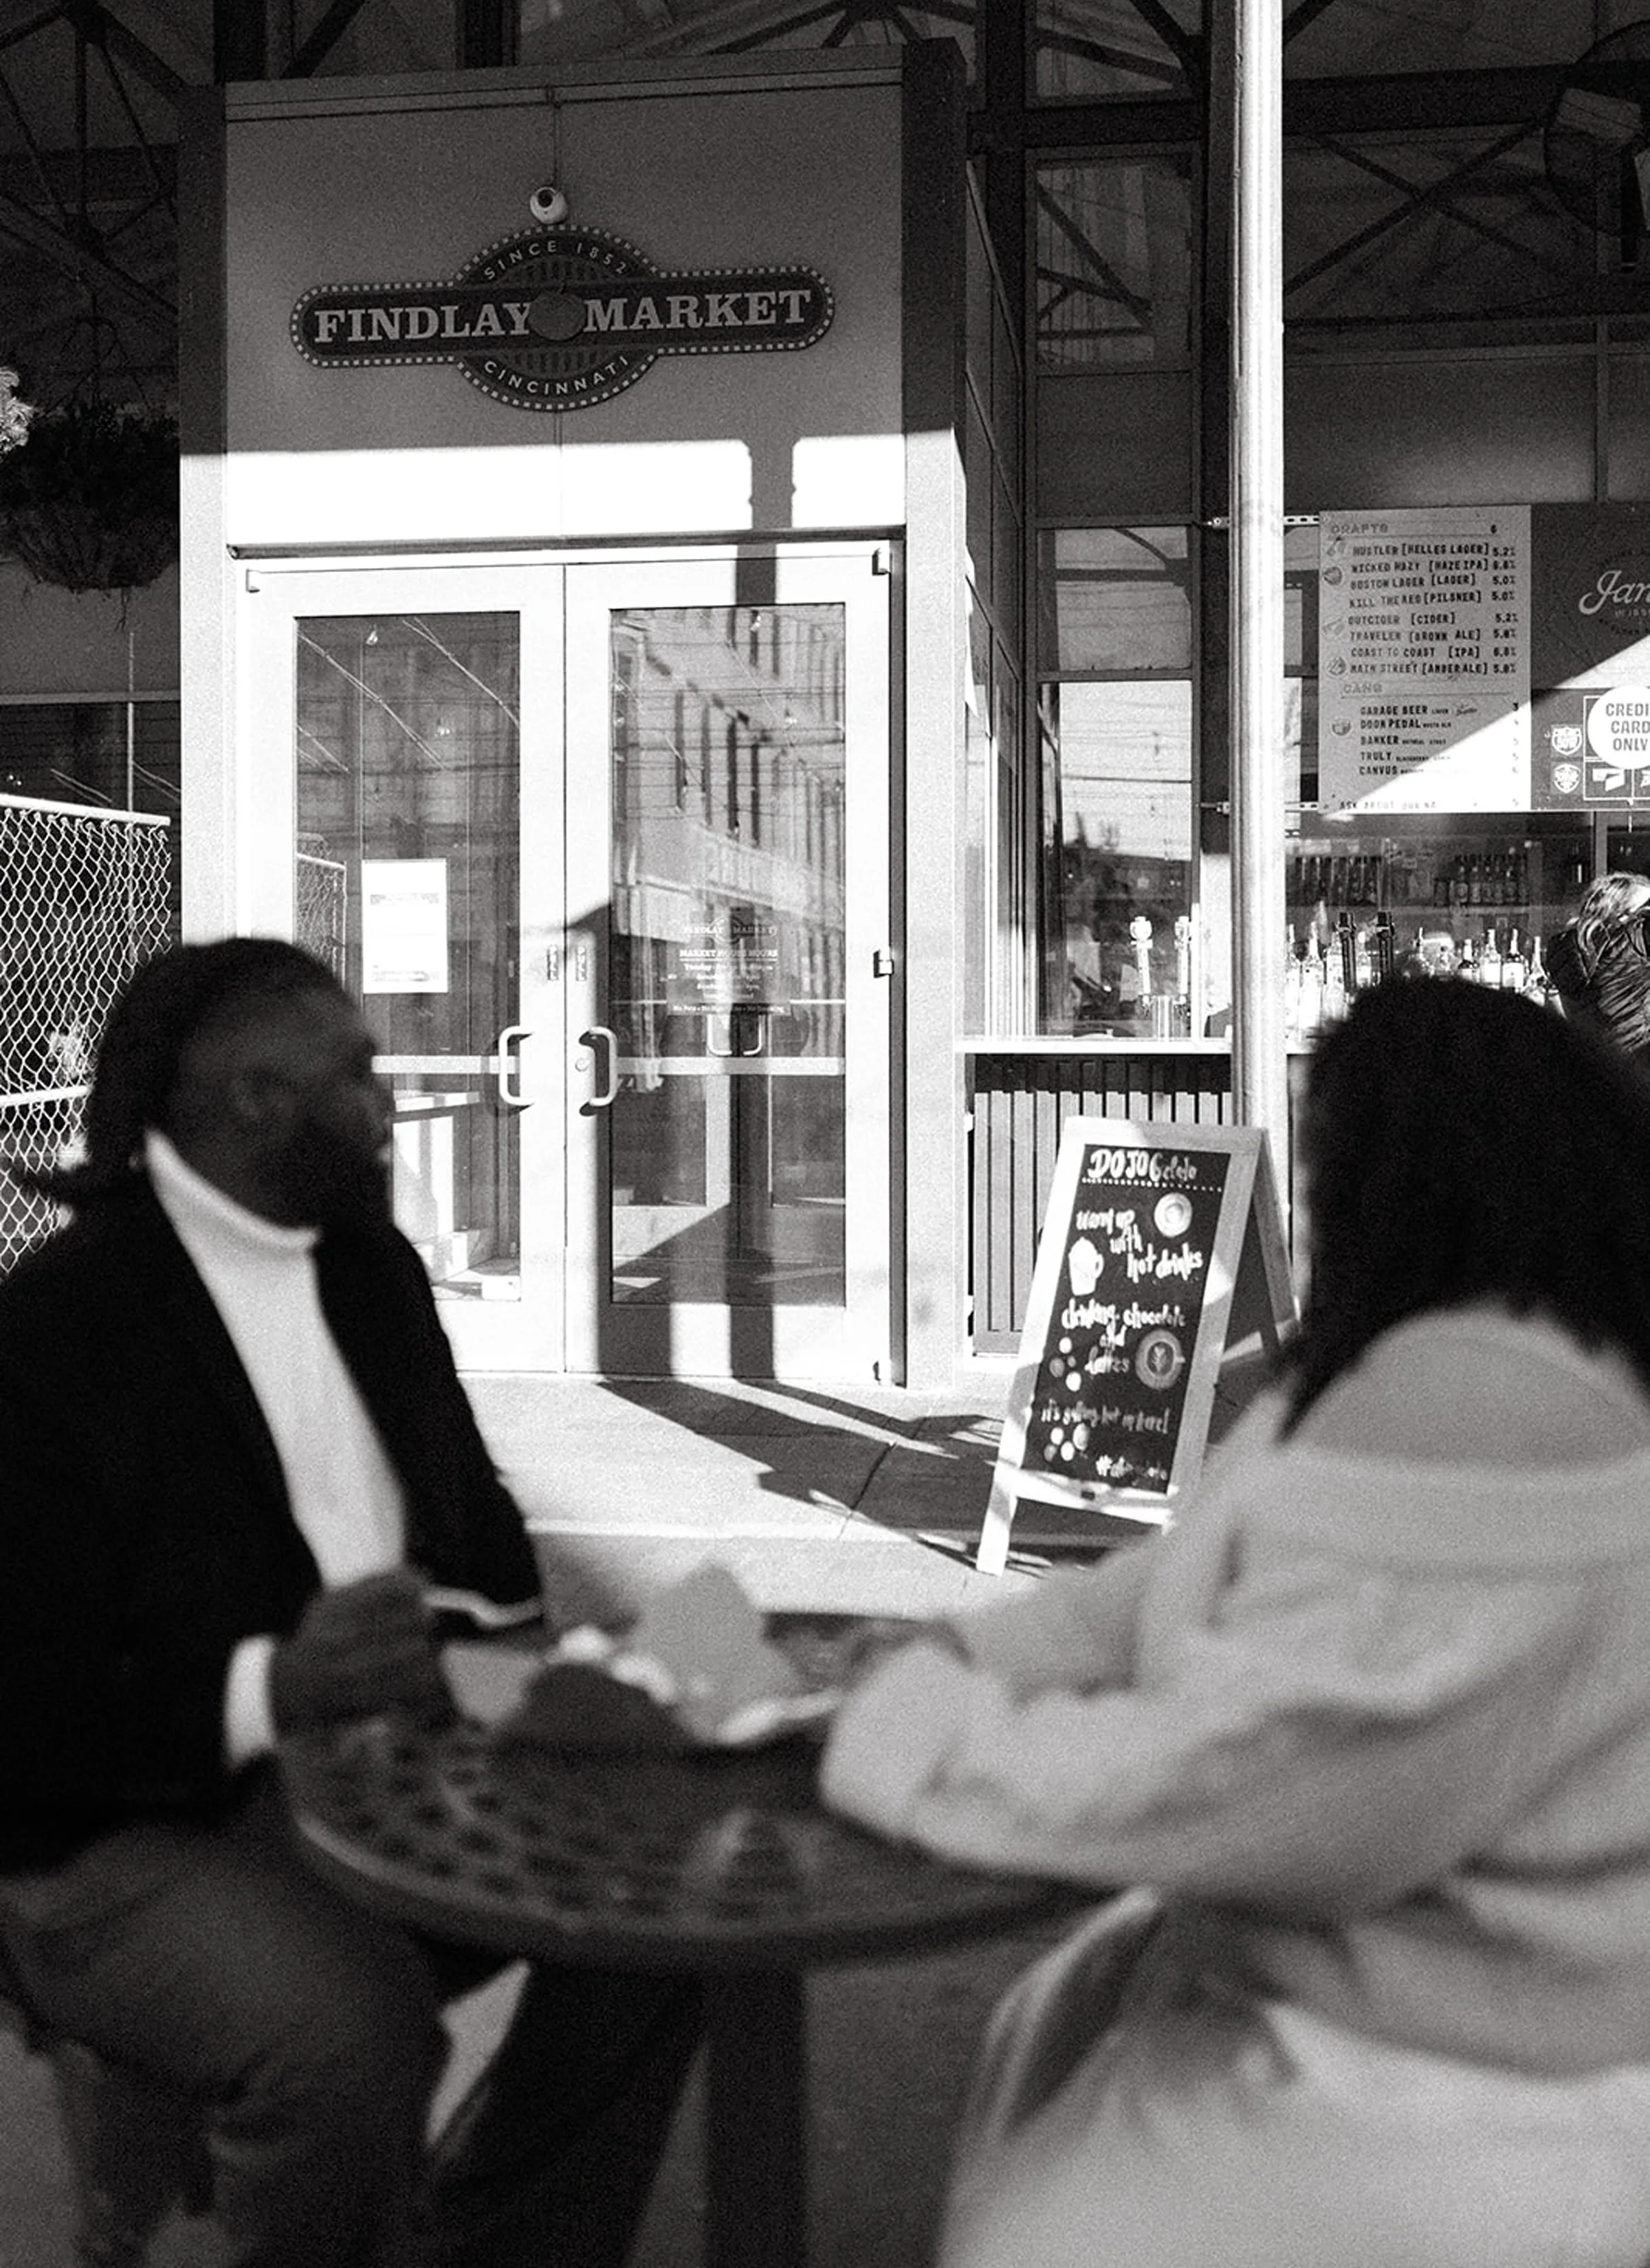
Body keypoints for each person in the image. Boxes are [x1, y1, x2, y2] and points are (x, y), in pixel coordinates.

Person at [822, 973, 1650, 2268]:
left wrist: (915, 1726)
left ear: (1400, 1170)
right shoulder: (1419, 1361)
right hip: (1397, 2008)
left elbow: (1257, 1786)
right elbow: (1165, 1585)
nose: (1312, 1204)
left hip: (1478, 2092)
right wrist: (967, 1650)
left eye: (1327, 1158)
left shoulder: (1483, 1409)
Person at [0, 936, 699, 2268]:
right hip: (119, 1827)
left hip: (396, 1761)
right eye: (360, 1072)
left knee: (662, 1906)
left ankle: (491, 2237)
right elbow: (27, 1711)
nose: (389, 1103)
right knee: (350, 2029)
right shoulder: (58, 1332)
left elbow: (479, 1536)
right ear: (254, 1101)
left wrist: (540, 1669)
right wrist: (274, 1682)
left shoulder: (371, 1269)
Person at [1544, 868, 1650, 1057]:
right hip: (1638, 1058)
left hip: (1593, 1061)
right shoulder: (1635, 938)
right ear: (1622, 914)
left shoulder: (1567, 946)